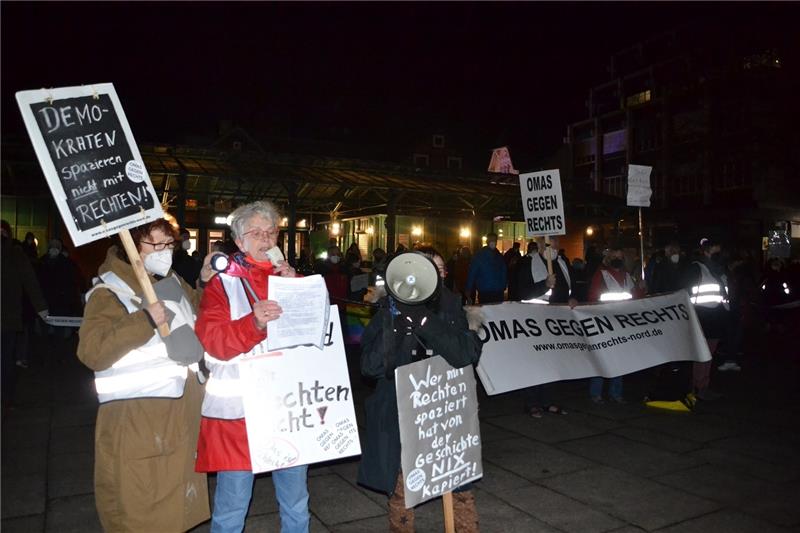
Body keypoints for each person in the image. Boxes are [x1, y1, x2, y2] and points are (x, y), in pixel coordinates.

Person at [77, 217, 212, 532]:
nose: (165, 252)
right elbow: (92, 351)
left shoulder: (171, 280)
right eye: (157, 244)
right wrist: (143, 321)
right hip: (137, 420)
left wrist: (204, 283)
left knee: (174, 503)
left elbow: (196, 312)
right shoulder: (109, 291)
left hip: (179, 416)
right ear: (131, 245)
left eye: (169, 245)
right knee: (140, 506)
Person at [194, 200, 309, 533]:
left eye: (271, 232)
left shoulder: (291, 279)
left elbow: (317, 333)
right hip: (240, 416)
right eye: (256, 232)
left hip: (289, 410)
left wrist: (299, 287)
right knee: (232, 508)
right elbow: (213, 340)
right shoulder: (222, 282)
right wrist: (253, 324)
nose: (265, 239)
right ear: (239, 241)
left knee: (297, 504)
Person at [358, 247, 482, 532]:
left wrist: (426, 321)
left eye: (440, 269)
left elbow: (464, 354)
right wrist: (398, 328)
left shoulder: (452, 306)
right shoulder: (390, 310)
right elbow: (370, 367)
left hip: (444, 416)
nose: (436, 275)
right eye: (429, 269)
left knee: (460, 488)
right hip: (401, 418)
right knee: (403, 491)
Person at [516, 237, 574, 417]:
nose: (553, 247)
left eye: (556, 243)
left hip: (557, 323)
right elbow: (520, 292)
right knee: (535, 363)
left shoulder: (563, 263)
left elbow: (570, 288)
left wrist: (573, 298)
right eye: (549, 244)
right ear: (540, 245)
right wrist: (544, 285)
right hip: (534, 321)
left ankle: (547, 401)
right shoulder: (527, 264)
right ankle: (532, 402)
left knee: (551, 363)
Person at [587, 244, 645, 403]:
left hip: (622, 324)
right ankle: (596, 393)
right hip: (605, 323)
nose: (618, 260)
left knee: (620, 359)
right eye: (615, 257)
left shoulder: (627, 276)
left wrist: (640, 289)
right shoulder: (601, 274)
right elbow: (592, 298)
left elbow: (634, 298)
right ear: (608, 258)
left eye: (620, 257)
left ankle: (616, 393)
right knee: (602, 358)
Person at [1, 220, 48, 414]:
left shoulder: (15, 254)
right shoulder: (15, 253)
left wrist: (41, 308)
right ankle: (6, 398)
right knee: (5, 361)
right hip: (9, 319)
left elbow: (30, 281)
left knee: (5, 361)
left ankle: (6, 398)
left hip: (8, 319)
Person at [687, 239, 729, 400]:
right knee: (701, 354)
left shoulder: (718, 270)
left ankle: (703, 385)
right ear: (705, 252)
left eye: (719, 252)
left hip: (716, 317)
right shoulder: (697, 268)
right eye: (715, 252)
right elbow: (686, 292)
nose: (718, 255)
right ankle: (697, 386)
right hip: (701, 316)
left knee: (709, 354)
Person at [465, 233, 507, 304]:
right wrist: (468, 288)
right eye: (491, 240)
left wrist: (503, 285)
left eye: (494, 240)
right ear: (487, 241)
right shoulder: (480, 256)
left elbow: (504, 272)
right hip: (489, 292)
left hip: (495, 292)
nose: (493, 242)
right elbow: (472, 273)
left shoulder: (498, 256)